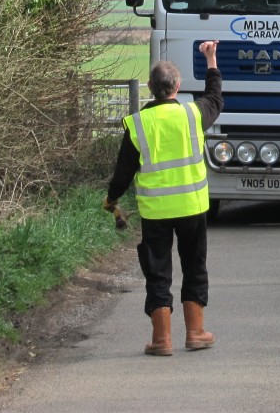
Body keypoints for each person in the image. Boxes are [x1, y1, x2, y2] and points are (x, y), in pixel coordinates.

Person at [103, 43, 223, 356]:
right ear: (177, 87)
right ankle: (195, 333)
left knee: (158, 272)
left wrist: (112, 199)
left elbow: (123, 171)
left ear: (150, 88)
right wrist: (211, 59)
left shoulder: (139, 124)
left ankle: (162, 340)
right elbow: (215, 98)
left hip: (155, 212)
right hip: (192, 207)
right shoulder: (192, 114)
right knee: (194, 267)